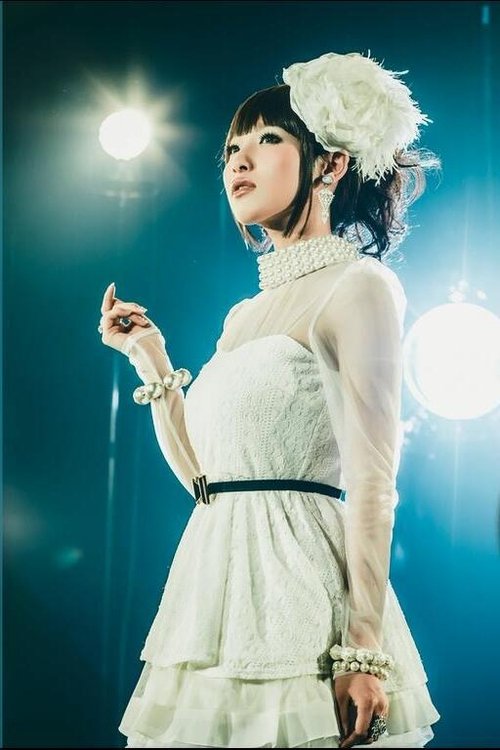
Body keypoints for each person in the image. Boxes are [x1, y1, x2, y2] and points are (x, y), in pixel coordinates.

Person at [98, 51, 441, 748]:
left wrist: (363, 648)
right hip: (213, 599)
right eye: (232, 149)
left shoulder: (358, 286)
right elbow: (207, 483)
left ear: (330, 164)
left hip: (302, 606)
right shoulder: (241, 316)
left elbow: (374, 479)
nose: (239, 161)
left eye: (268, 139)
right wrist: (149, 357)